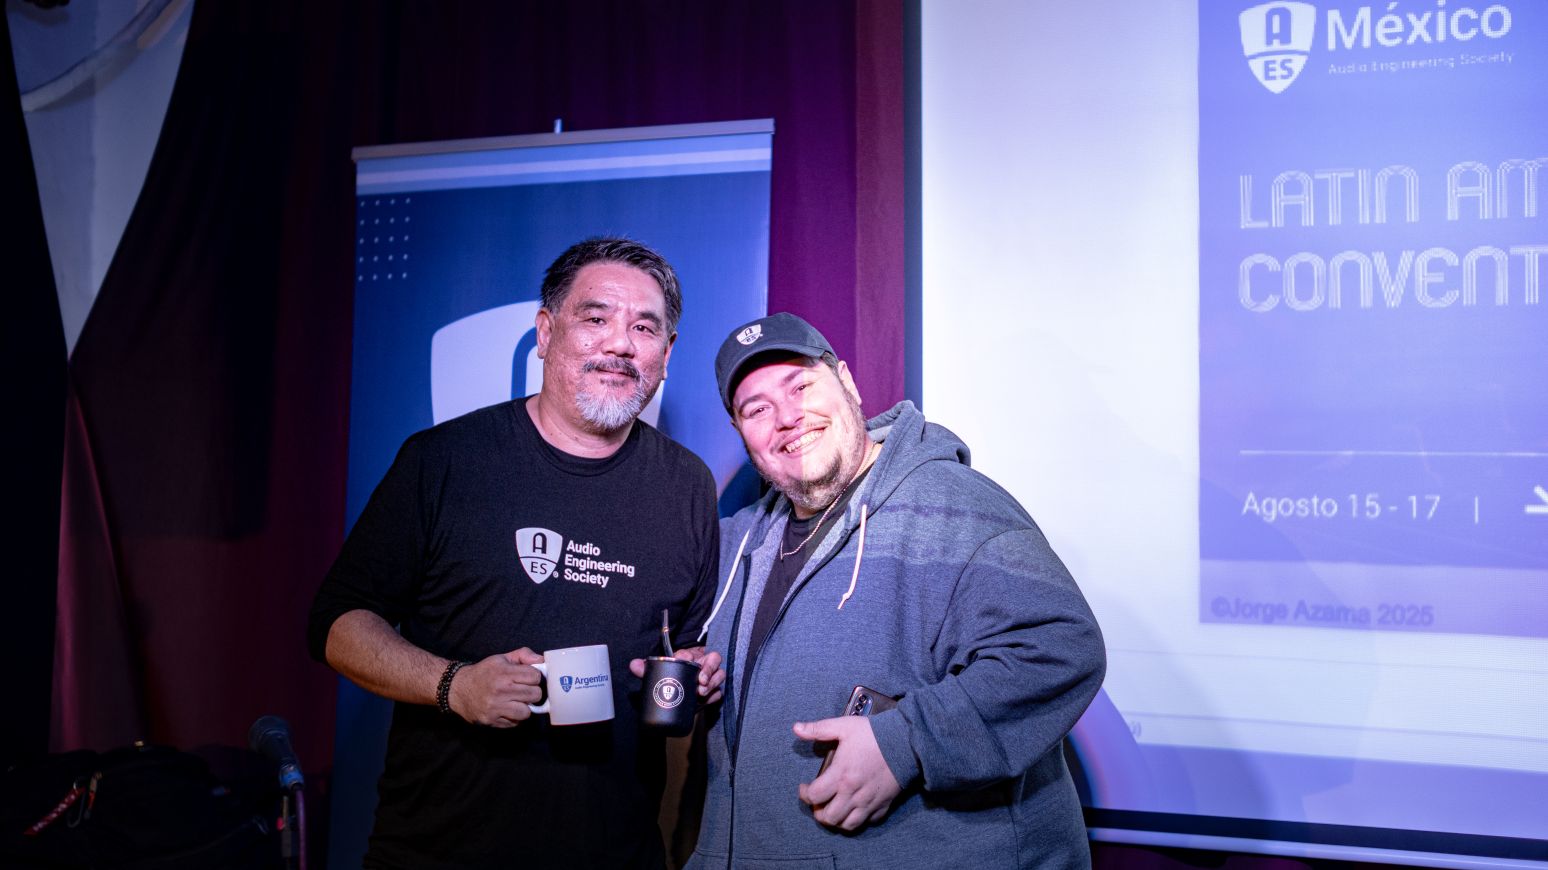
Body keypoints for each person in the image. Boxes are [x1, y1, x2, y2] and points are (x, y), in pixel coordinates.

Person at [308, 237, 725, 870]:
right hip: (439, 852)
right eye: (596, 318)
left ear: (665, 355)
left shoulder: (688, 487)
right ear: (545, 332)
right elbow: (337, 624)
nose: (620, 343)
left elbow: (684, 654)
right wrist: (454, 686)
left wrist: (697, 673)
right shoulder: (445, 461)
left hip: (615, 854)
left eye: (644, 328)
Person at [688, 312, 1106, 869]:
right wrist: (699, 672)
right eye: (757, 409)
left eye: (801, 387)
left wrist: (906, 742)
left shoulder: (954, 505)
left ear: (847, 382)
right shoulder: (738, 541)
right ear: (740, 432)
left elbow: (1061, 646)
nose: (787, 418)